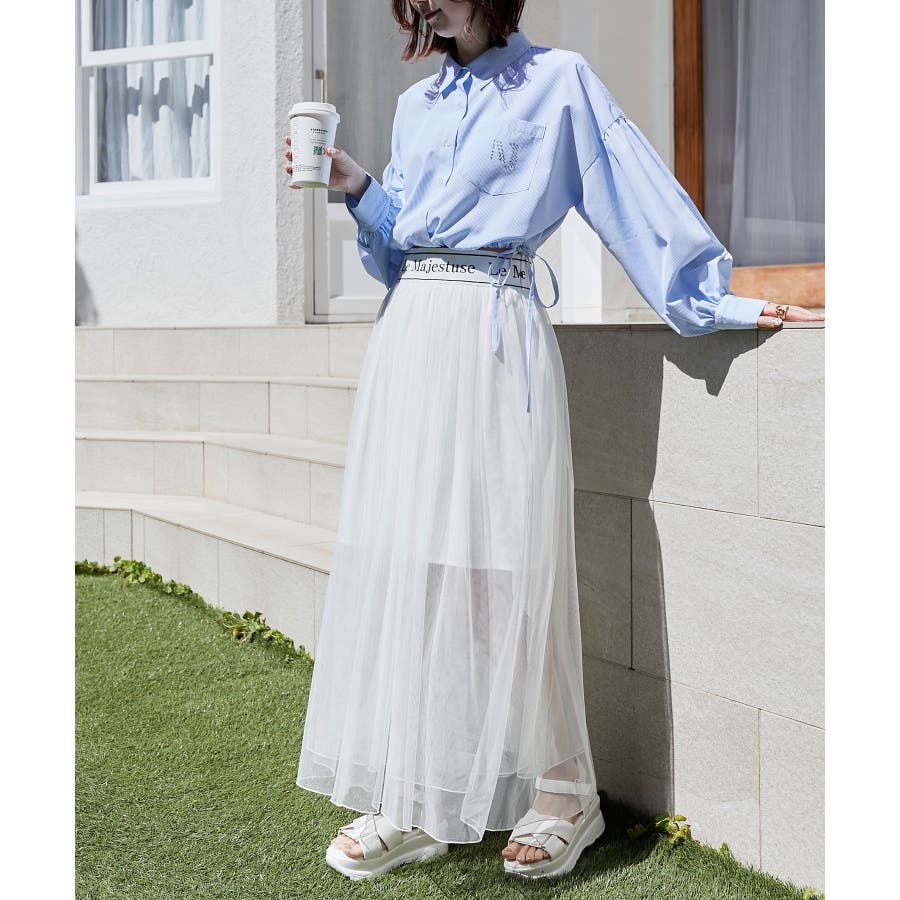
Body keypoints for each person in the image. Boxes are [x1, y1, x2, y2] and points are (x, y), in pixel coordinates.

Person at [284, 0, 825, 883]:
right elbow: (398, 252)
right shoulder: (416, 106)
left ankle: (567, 792)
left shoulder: (559, 81)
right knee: (420, 563)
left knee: (508, 566)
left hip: (495, 335)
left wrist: (709, 298)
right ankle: (420, 796)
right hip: (410, 341)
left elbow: (629, 187)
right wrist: (359, 188)